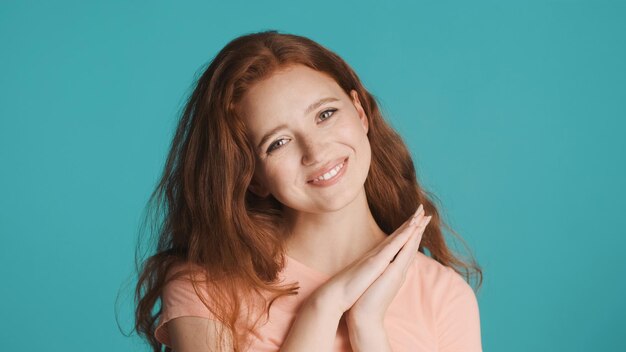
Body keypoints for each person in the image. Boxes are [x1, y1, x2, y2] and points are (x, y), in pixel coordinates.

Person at [134, 29, 483, 352]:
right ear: (252, 177)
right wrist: (323, 307)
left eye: (325, 114)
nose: (315, 152)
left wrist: (367, 328)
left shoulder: (443, 295)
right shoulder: (207, 289)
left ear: (360, 112)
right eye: (278, 142)